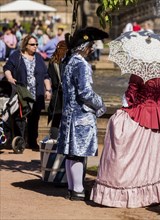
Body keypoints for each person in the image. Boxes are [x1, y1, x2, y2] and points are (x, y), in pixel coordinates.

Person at [91, 70, 160, 207]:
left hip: (141, 113)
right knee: (159, 158)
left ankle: (132, 194)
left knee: (134, 156)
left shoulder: (139, 73)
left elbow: (130, 96)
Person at [56, 27, 108, 201]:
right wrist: (100, 103)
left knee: (71, 153)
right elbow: (85, 93)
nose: (93, 47)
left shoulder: (69, 61)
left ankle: (72, 189)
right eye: (91, 44)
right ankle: (78, 189)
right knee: (78, 153)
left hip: (69, 114)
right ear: (84, 46)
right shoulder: (81, 64)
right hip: (81, 115)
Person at [3, 34, 52, 150]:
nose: (35, 46)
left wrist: (48, 90)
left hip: (37, 94)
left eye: (36, 44)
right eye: (32, 44)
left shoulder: (39, 57)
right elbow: (7, 68)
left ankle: (32, 141)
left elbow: (46, 75)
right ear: (25, 45)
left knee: (34, 119)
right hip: (22, 93)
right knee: (20, 118)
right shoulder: (17, 56)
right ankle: (20, 141)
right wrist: (10, 78)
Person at [47, 41, 67, 135]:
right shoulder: (65, 62)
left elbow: (51, 77)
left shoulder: (52, 61)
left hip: (55, 96)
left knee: (55, 120)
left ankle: (53, 140)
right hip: (63, 96)